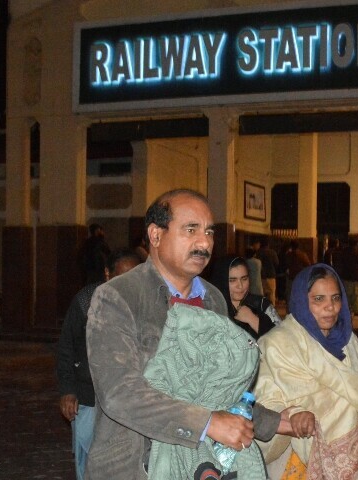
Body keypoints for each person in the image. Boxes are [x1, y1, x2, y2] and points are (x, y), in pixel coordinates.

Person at [85, 189, 305, 480]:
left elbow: (221, 385)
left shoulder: (212, 298)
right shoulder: (118, 297)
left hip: (199, 464)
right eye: (191, 230)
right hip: (136, 464)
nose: (204, 243)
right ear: (155, 235)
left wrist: (275, 422)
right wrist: (207, 423)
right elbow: (120, 394)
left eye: (209, 232)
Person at [254, 264, 358, 479]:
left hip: (350, 445)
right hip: (296, 449)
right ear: (302, 301)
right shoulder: (277, 343)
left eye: (335, 298)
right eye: (319, 299)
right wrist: (294, 414)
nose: (330, 308)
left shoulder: (348, 341)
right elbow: (265, 399)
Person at [56, 248, 142, 480]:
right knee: (88, 460)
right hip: (89, 399)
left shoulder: (144, 307)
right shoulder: (86, 302)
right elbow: (66, 347)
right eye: (120, 277)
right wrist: (68, 390)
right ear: (107, 273)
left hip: (128, 401)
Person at [211, 255, 282, 339]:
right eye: (232, 280)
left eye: (244, 279)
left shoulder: (261, 305)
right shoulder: (212, 308)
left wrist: (253, 320)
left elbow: (282, 341)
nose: (240, 286)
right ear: (222, 281)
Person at [284, 240, 311, 305]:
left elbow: (285, 265)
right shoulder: (302, 255)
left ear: (290, 246)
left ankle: (289, 311)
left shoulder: (288, 255)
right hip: (300, 278)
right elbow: (308, 264)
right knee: (300, 295)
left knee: (290, 295)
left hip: (291, 277)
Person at [255, 239, 280, 307]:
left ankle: (263, 309)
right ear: (268, 244)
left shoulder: (259, 252)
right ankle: (272, 310)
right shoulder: (272, 252)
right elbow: (276, 263)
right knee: (271, 293)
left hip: (262, 276)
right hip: (271, 275)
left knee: (263, 293)